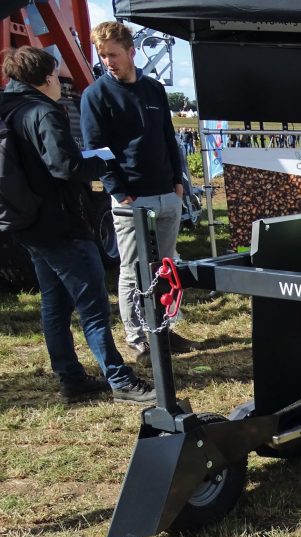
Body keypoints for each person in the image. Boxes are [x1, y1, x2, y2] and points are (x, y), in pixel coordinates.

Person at [0, 46, 156, 404]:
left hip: (28, 222)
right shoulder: (43, 112)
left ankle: (71, 377)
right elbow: (64, 166)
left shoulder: (9, 109)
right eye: (56, 75)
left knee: (54, 304)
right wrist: (100, 164)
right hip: (61, 223)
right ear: (47, 77)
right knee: (93, 308)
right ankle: (120, 380)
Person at [80, 20, 196, 365]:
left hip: (166, 192)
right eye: (103, 56)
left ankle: (164, 328)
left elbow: (167, 138)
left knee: (167, 264)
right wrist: (119, 191)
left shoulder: (154, 90)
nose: (108, 62)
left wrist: (178, 182)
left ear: (131, 52)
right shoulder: (96, 95)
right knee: (131, 268)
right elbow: (95, 149)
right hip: (131, 197)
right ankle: (137, 339)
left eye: (113, 54)